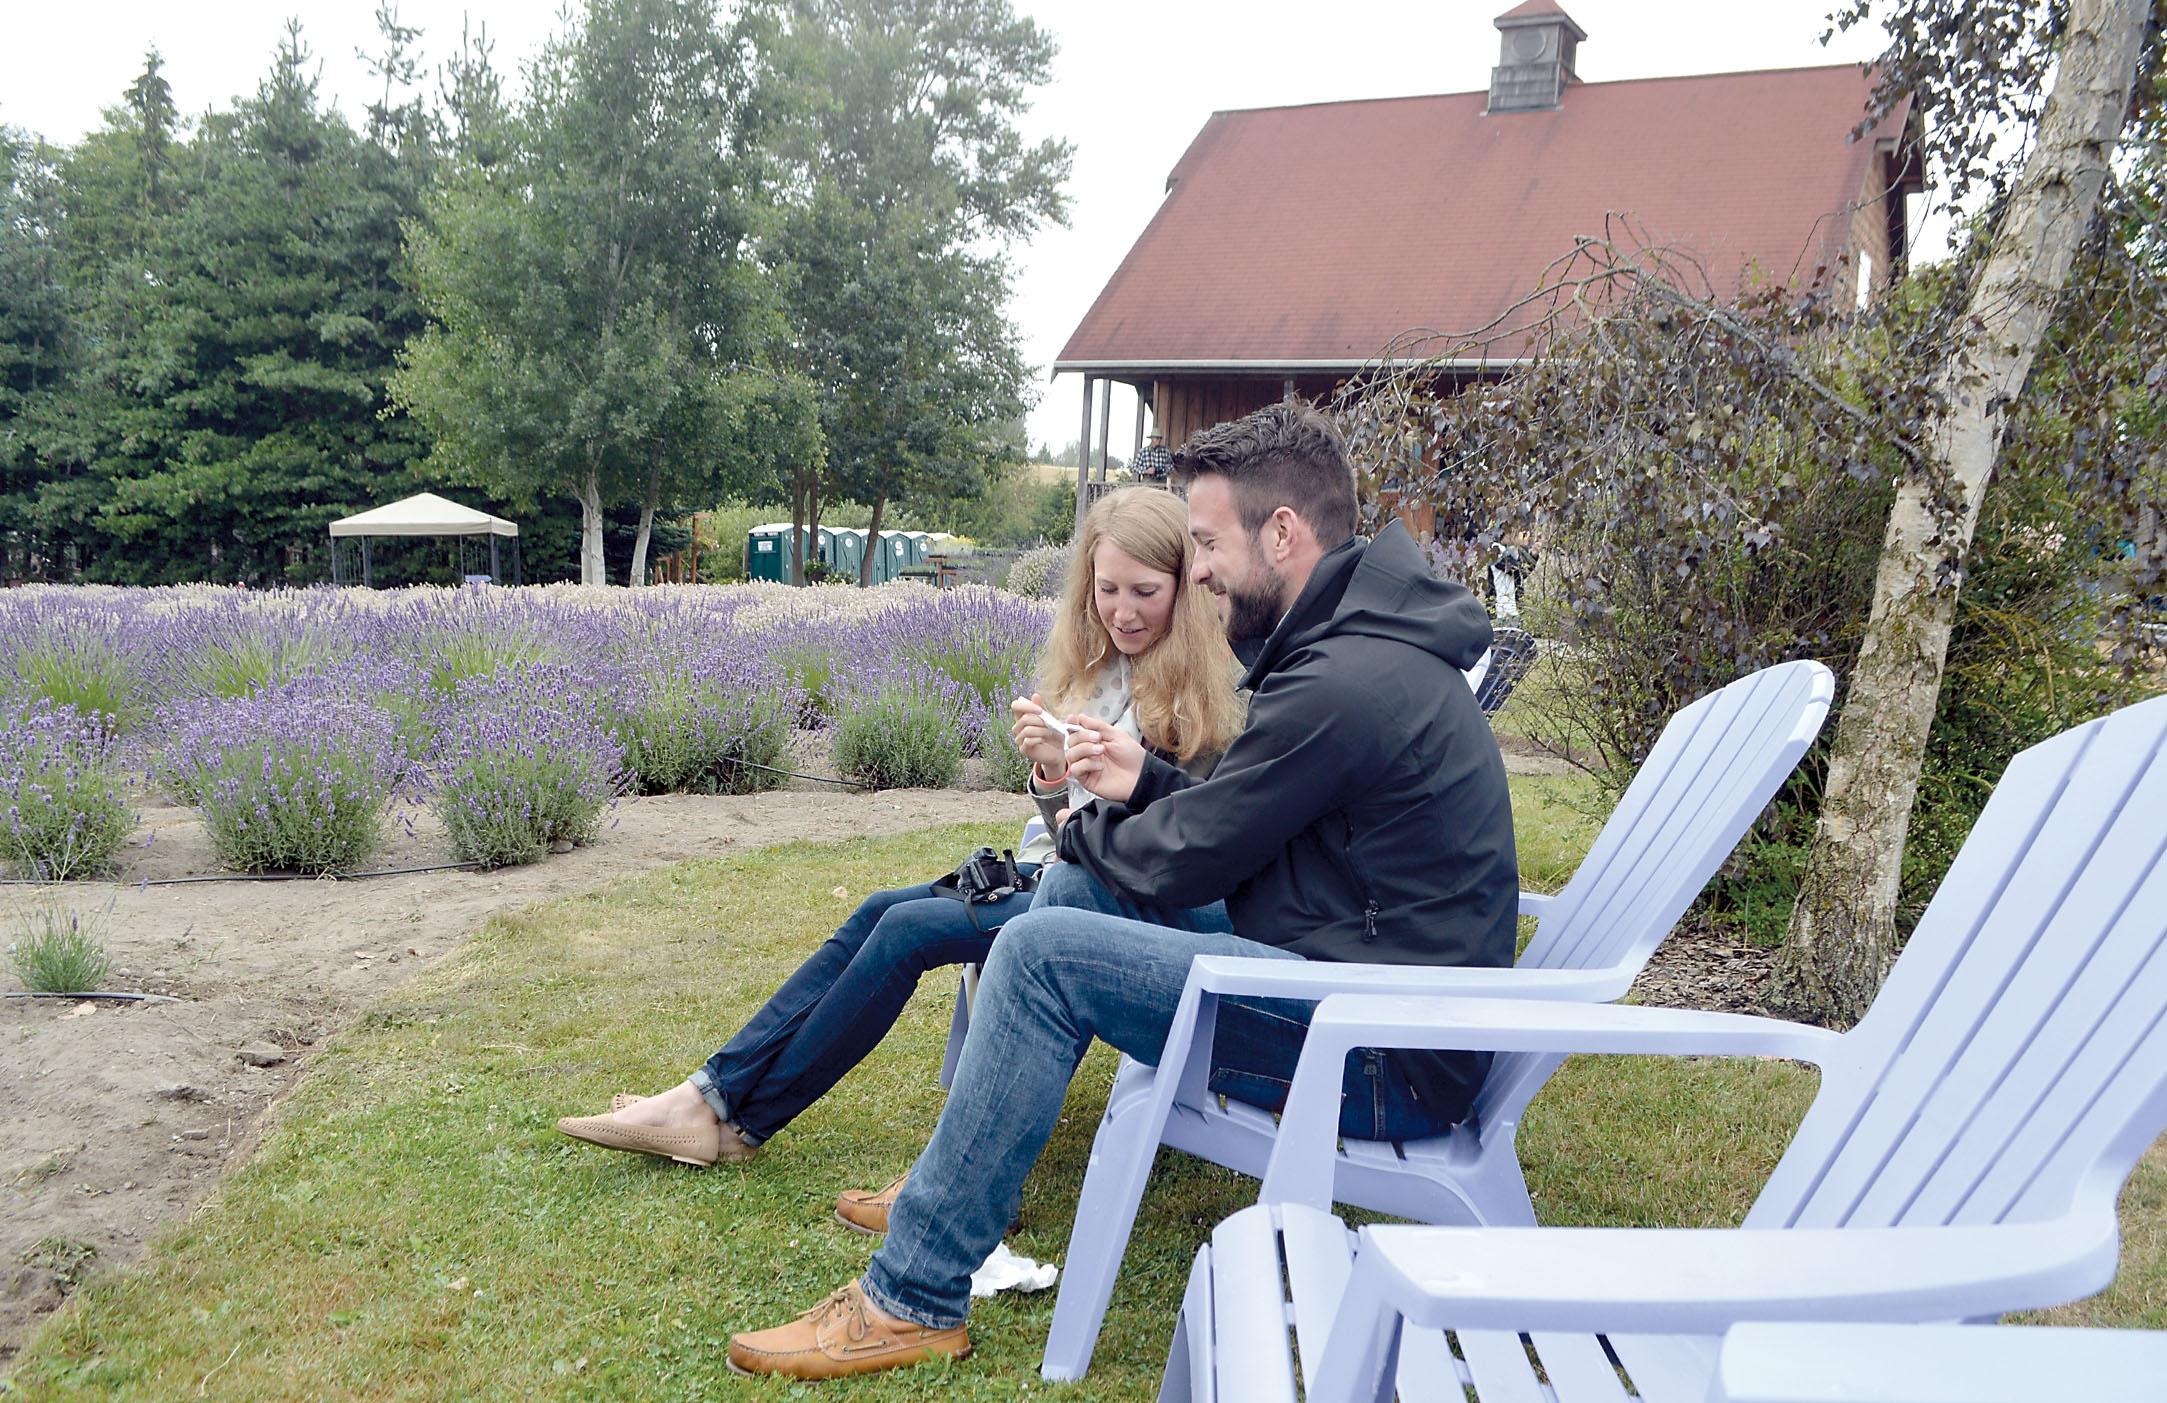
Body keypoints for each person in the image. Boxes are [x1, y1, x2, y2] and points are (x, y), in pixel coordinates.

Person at [723, 400, 1519, 1380]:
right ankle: (954, 1180)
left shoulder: (1347, 680)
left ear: (1282, 532)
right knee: (1074, 898)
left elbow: (1194, 857)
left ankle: (911, 1292)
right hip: (1352, 987)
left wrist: (1070, 813)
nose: (1205, 571)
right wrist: (1141, 785)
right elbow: (1241, 823)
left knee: (1039, 948)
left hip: (1380, 1048)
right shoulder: (1358, 651)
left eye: (1207, 542)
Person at [554, 488, 1243, 1170]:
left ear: (1184, 590)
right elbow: (1070, 826)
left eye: (1144, 592)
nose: (1121, 610)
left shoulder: (1205, 698)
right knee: (879, 907)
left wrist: (1074, 789)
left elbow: (1176, 850)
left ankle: (736, 1122)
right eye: (1107, 589)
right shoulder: (1105, 672)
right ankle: (705, 1095)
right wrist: (1048, 774)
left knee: (906, 932)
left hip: (1114, 905)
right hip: (1064, 873)